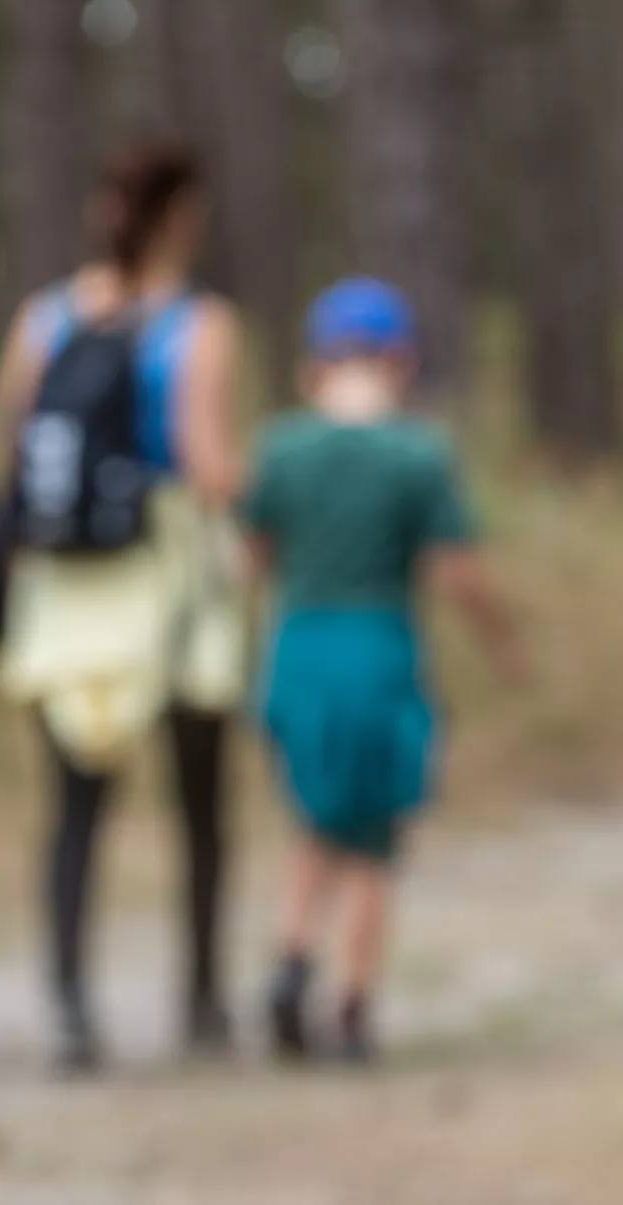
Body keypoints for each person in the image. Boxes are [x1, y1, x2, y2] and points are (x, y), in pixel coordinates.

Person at [0, 136, 249, 1072]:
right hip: (169, 567)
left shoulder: (45, 318)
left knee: (75, 807)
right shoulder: (198, 325)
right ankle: (204, 999)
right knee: (201, 801)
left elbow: (12, 451)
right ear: (184, 212)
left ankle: (69, 1002)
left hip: (69, 585)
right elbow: (209, 463)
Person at [241, 278, 522, 1064]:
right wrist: (503, 640)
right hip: (379, 646)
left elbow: (249, 557)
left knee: (312, 817)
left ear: (315, 363)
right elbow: (454, 573)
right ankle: (353, 1008)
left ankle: (293, 959)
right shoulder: (416, 452)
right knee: (373, 839)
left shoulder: (281, 446)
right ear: (399, 359)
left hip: (298, 645)